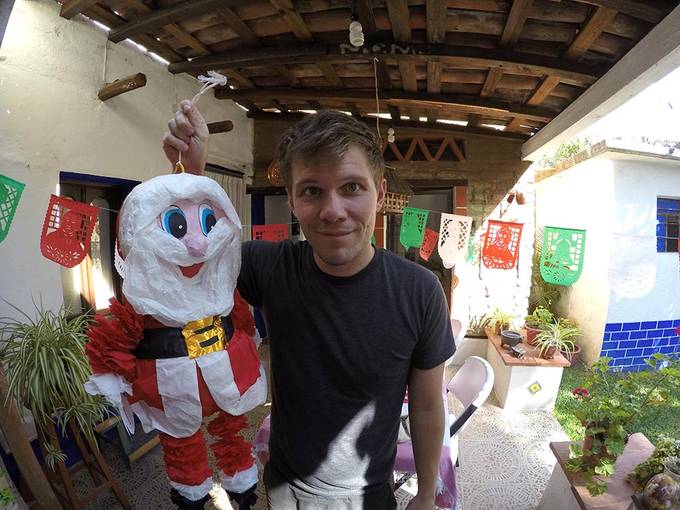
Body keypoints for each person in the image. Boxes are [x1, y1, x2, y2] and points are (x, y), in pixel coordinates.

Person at [163, 101, 455, 510]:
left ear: (381, 194)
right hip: (286, 491)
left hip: (370, 497)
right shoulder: (269, 266)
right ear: (293, 201)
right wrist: (190, 178)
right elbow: (183, 261)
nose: (333, 211)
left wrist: (426, 495)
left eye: (352, 187)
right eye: (312, 191)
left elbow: (426, 406)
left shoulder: (419, 291)